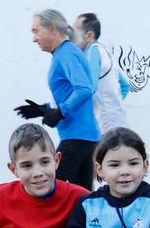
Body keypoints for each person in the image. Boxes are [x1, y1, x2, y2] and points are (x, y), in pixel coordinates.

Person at [20, 10, 99, 188]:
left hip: (76, 136)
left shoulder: (66, 54)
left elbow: (84, 89)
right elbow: (70, 93)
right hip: (84, 135)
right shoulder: (66, 52)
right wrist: (42, 109)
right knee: (83, 196)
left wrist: (61, 111)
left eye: (36, 31)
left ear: (54, 29)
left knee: (48, 187)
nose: (34, 38)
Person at [76, 12, 131, 134]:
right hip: (119, 122)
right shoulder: (102, 51)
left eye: (76, 30)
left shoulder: (92, 53)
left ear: (89, 35)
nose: (71, 35)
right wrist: (112, 105)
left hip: (106, 126)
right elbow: (125, 86)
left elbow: (90, 88)